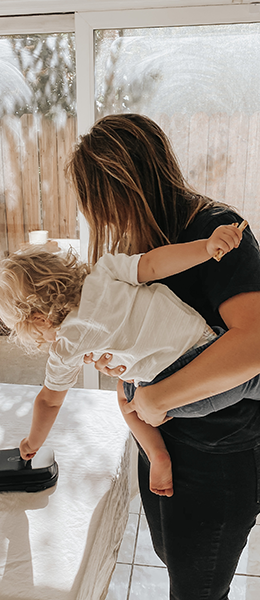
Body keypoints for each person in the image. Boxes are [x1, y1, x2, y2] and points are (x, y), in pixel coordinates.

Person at [66, 112, 260, 600]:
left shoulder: (216, 231)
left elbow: (256, 341)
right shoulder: (146, 244)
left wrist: (157, 399)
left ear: (127, 186)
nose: (105, 220)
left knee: (197, 590)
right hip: (168, 445)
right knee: (175, 563)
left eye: (103, 205)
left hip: (219, 455)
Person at [0, 223, 259, 499]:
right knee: (248, 373)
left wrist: (31, 443)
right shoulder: (105, 270)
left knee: (125, 394)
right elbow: (155, 264)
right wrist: (205, 248)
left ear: (39, 320)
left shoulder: (66, 346)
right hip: (208, 348)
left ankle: (157, 455)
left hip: (175, 390)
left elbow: (49, 401)